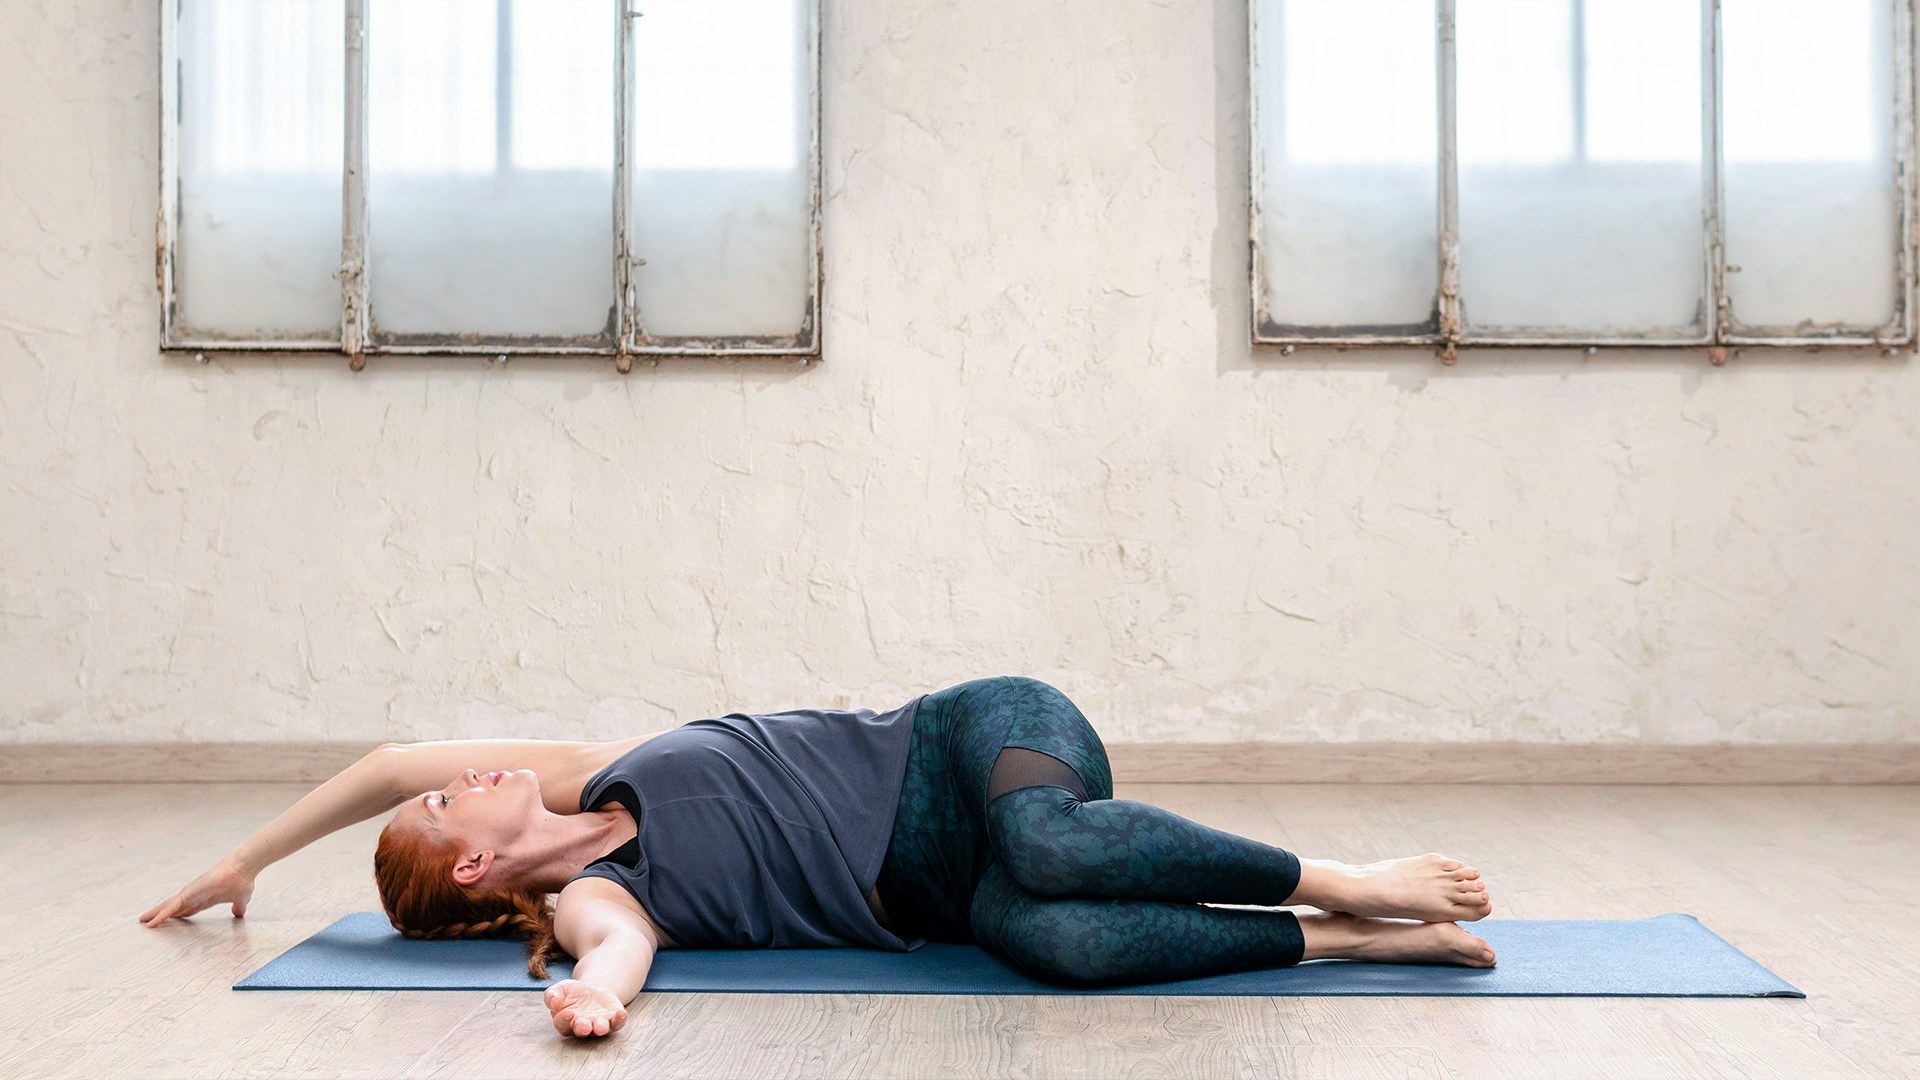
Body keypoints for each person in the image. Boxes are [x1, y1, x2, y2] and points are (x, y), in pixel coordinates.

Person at [141, 676, 1495, 1039]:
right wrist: (593, 999)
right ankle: (1352, 942)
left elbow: (389, 763)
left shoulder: (585, 770)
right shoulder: (606, 895)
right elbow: (613, 954)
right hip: (957, 896)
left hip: (976, 742)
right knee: (1057, 938)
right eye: (451, 806)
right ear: (477, 875)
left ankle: (1346, 879)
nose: (462, 776)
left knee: (1049, 840)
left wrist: (244, 862)